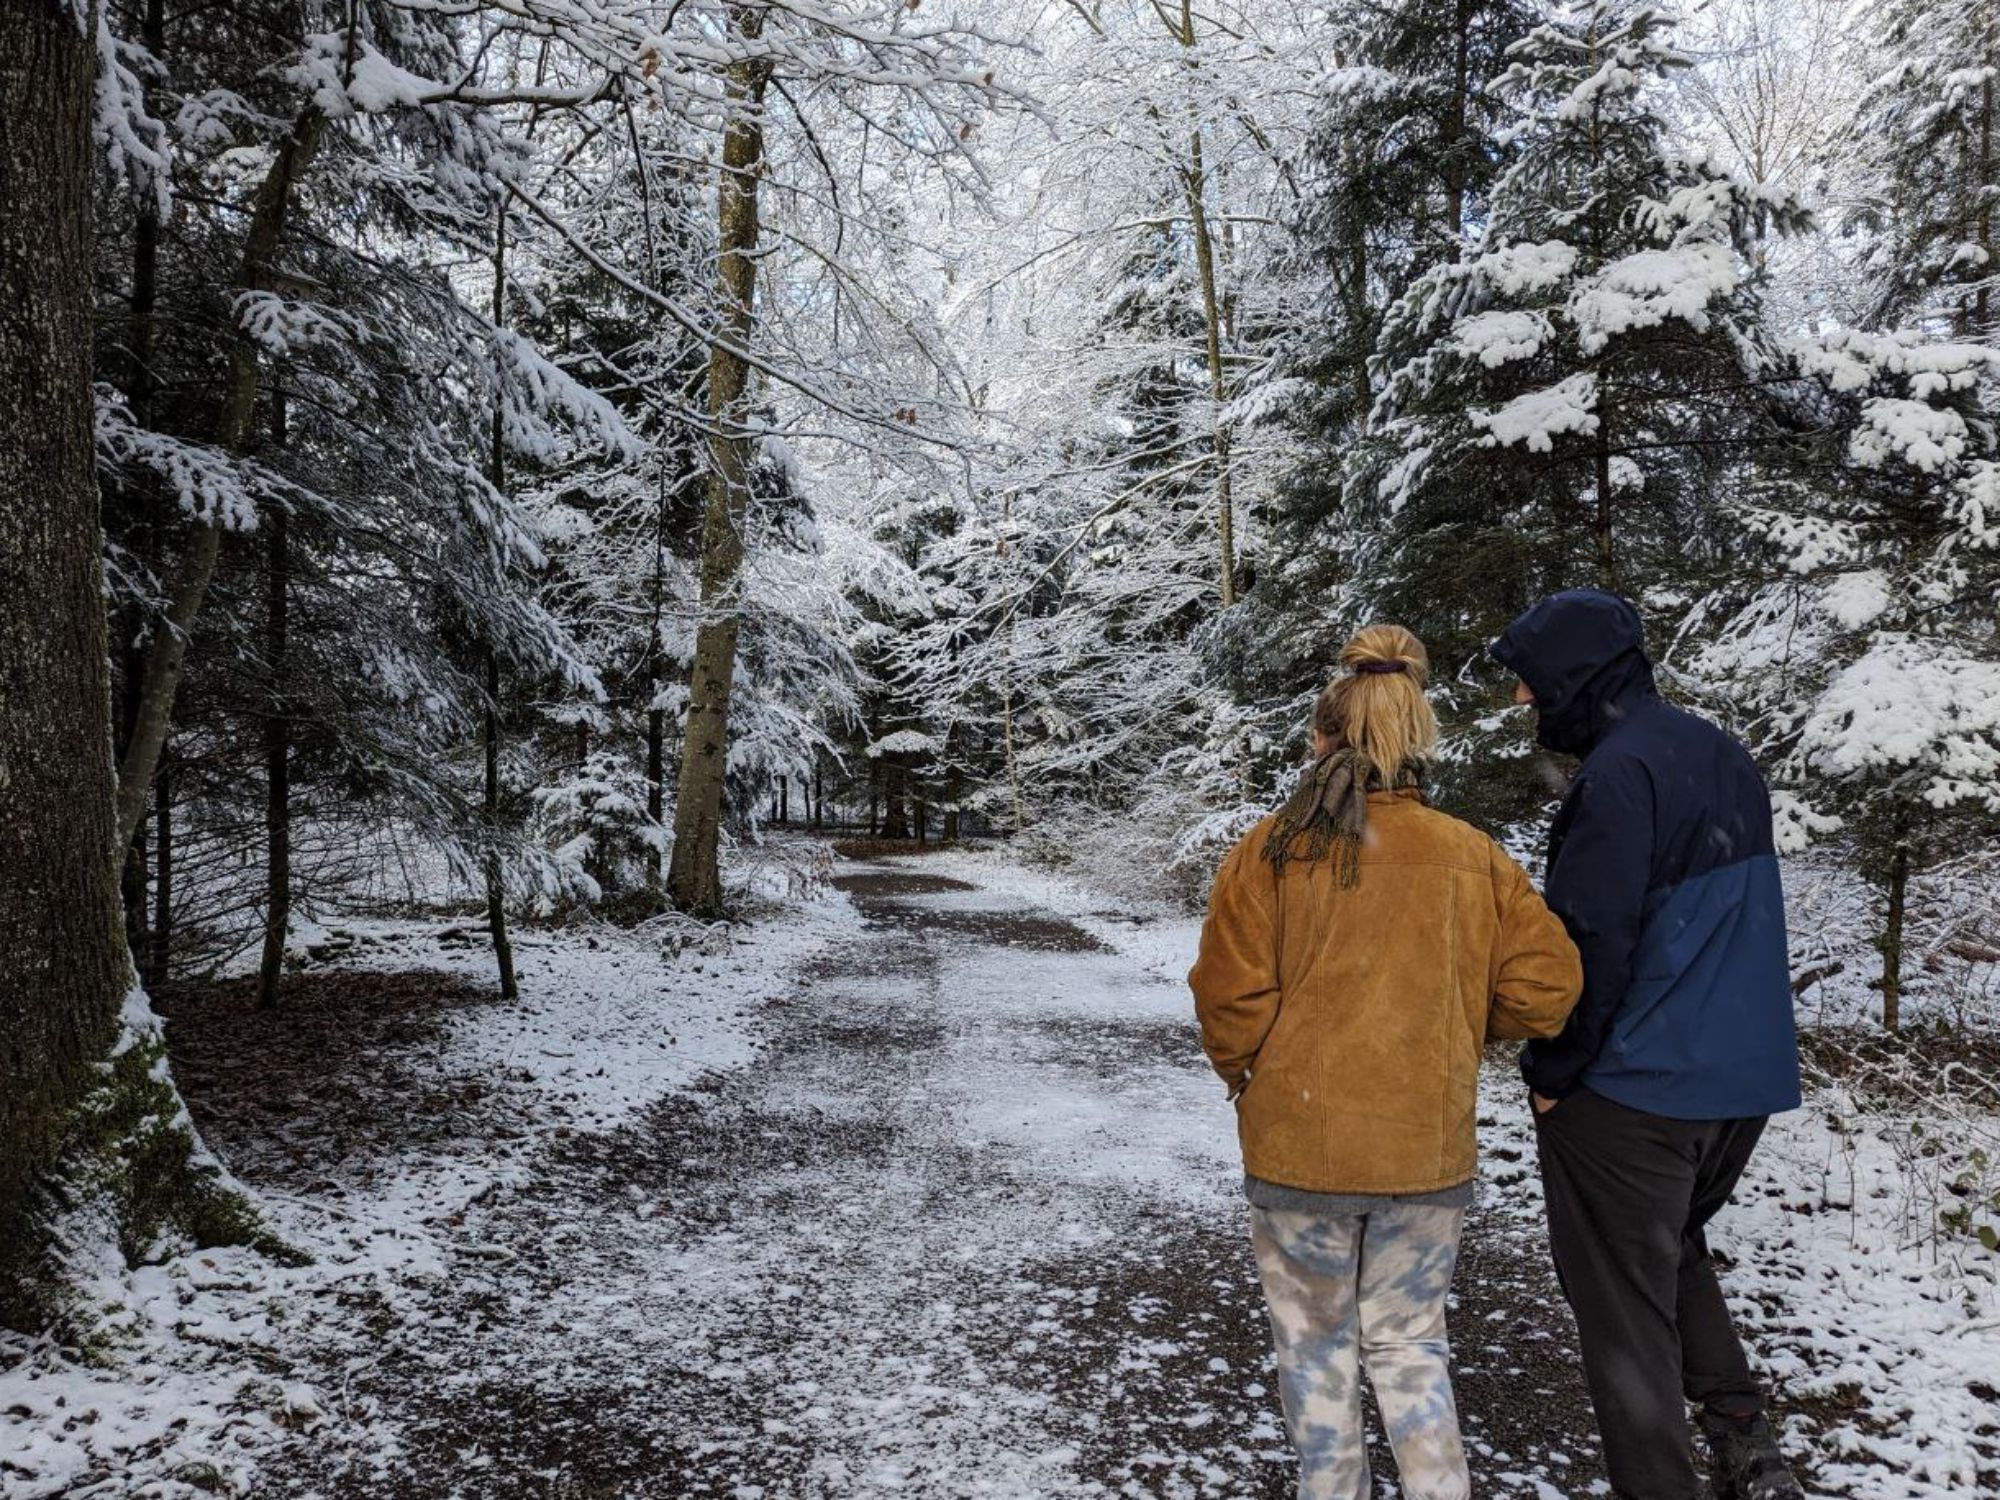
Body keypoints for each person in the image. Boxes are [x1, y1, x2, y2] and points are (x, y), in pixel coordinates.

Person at [1190, 623, 1583, 1500]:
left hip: (1299, 1149)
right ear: (1415, 738)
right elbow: (1547, 988)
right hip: (1423, 1149)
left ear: (1322, 738)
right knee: (1410, 1345)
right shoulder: (1472, 856)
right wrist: (1454, 1026)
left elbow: (1229, 999)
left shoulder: (1273, 849)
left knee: (1315, 1348)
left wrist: (1249, 1077)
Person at [1489, 589, 1805, 1500]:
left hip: (1638, 1089)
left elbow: (1591, 944)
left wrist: (1553, 1071)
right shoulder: (1720, 753)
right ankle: (1744, 1438)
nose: (1523, 699)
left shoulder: (1618, 777)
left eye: (1531, 680)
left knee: (1622, 1310)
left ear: (1576, 676)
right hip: (1741, 1082)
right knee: (1667, 1249)